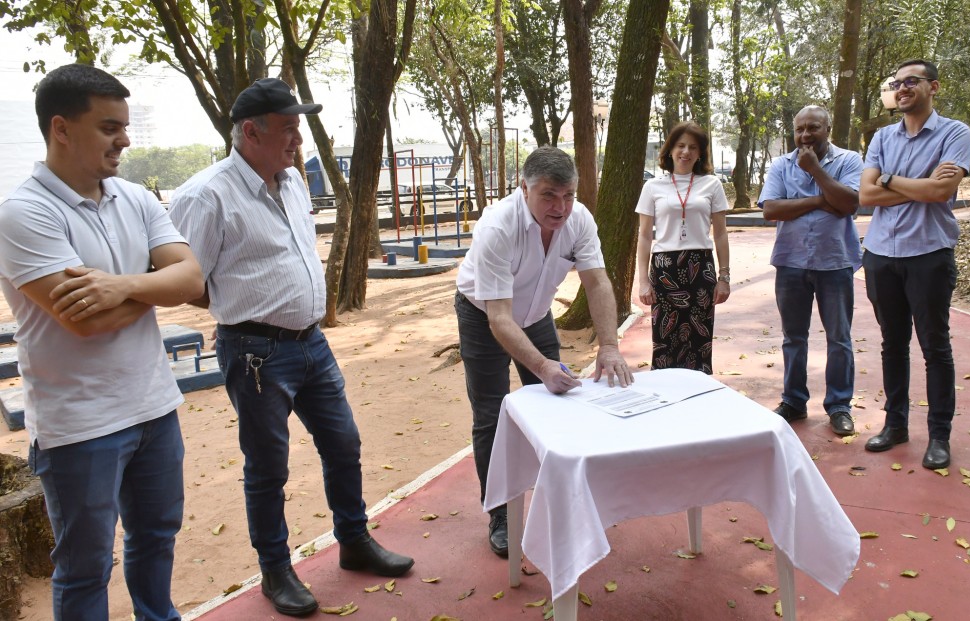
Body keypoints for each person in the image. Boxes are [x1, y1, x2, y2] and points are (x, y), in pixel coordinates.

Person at [168, 78, 413, 617]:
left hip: (312, 345)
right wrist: (239, 309)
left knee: (343, 444)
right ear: (250, 132)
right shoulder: (205, 195)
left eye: (299, 127)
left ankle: (354, 540)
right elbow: (187, 280)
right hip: (255, 353)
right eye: (287, 128)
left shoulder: (293, 181)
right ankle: (275, 569)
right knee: (268, 467)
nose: (298, 139)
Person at [0, 64, 205, 621]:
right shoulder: (24, 213)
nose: (125, 140)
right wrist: (156, 286)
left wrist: (122, 286)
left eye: (125, 126)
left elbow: (193, 280)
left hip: (154, 406)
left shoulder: (135, 197)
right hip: (80, 423)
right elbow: (86, 322)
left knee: (157, 536)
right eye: (110, 127)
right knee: (85, 566)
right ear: (61, 129)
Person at [455, 146, 634, 558]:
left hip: (536, 314)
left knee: (560, 402)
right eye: (549, 195)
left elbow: (597, 282)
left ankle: (569, 500)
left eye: (568, 195)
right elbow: (500, 317)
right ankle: (501, 514)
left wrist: (609, 346)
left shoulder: (579, 219)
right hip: (483, 314)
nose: (561, 207)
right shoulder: (497, 226)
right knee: (492, 414)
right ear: (524, 189)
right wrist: (540, 365)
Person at [859, 59, 970, 469]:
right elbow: (866, 197)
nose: (902, 88)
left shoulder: (955, 132)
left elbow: (942, 191)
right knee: (893, 344)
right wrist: (921, 186)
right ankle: (896, 425)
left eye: (912, 81)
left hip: (928, 254)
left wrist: (889, 180)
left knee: (935, 346)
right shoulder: (882, 137)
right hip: (880, 255)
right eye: (897, 83)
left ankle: (939, 435)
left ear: (933, 87)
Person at [759, 106, 862, 436]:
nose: (805, 135)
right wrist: (820, 201)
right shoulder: (781, 164)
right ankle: (793, 401)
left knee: (839, 338)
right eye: (799, 129)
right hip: (790, 261)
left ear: (827, 129)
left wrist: (815, 171)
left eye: (813, 128)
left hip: (835, 262)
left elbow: (849, 204)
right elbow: (771, 209)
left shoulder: (849, 160)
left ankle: (839, 405)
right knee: (794, 337)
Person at [635, 121, 731, 373]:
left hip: (701, 268)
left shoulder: (712, 184)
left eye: (693, 147)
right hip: (665, 269)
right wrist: (643, 281)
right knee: (665, 340)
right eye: (680, 145)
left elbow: (721, 234)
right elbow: (644, 236)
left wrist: (724, 277)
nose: (686, 152)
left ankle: (699, 391)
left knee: (700, 341)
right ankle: (665, 391)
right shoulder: (652, 187)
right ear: (670, 150)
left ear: (700, 153)